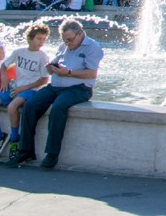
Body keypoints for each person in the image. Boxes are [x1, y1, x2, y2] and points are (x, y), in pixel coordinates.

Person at [10, 18, 104, 169]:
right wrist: (50, 68)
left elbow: (92, 73)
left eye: (70, 40)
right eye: (65, 40)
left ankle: (52, 154)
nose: (68, 43)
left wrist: (69, 72)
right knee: (30, 105)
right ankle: (25, 151)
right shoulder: (63, 46)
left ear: (80, 33)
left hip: (79, 88)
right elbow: (55, 65)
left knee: (58, 108)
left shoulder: (93, 47)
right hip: (55, 85)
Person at [0, 23, 49, 159]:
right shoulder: (19, 52)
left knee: (12, 107)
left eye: (44, 39)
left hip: (31, 89)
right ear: (30, 38)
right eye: (39, 38)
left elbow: (44, 80)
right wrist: (4, 78)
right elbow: (4, 66)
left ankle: (14, 139)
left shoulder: (43, 56)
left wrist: (22, 88)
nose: (41, 42)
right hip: (15, 87)